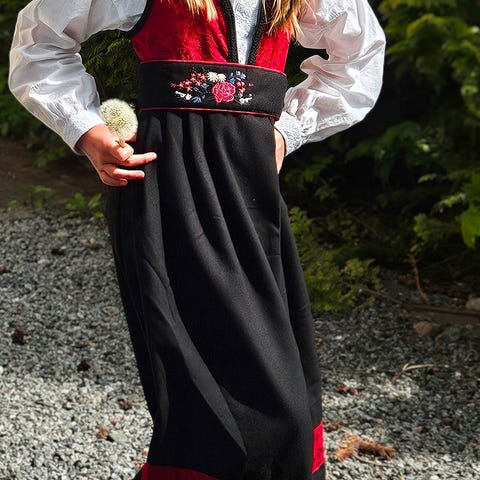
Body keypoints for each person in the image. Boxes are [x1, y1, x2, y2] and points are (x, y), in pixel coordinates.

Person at [9, 1, 385, 479]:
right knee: (209, 401)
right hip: (171, 188)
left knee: (285, 392)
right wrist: (86, 129)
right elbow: (40, 37)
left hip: (251, 190)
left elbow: (361, 54)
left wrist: (288, 131)